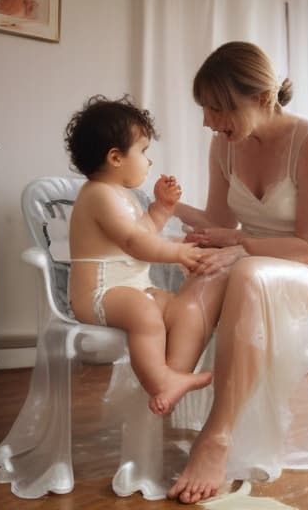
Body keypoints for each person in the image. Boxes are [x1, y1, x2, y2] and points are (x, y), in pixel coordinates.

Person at [166, 41, 308, 503]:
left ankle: (218, 436)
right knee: (204, 269)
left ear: (263, 99)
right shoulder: (223, 145)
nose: (209, 121)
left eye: (218, 108)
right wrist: (165, 210)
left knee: (246, 274)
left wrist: (238, 247)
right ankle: (167, 389)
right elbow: (219, 223)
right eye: (205, 109)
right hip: (254, 257)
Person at [65, 95, 224, 416]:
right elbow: (135, 243)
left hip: (131, 289)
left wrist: (161, 209)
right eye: (143, 151)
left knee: (180, 308)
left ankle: (175, 369)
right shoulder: (98, 195)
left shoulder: (123, 196)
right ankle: (160, 380)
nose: (148, 161)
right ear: (116, 157)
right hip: (97, 294)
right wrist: (178, 252)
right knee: (145, 313)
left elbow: (145, 230)